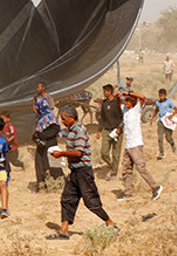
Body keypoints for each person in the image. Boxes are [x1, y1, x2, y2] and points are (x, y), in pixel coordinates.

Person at [47, 105, 117, 240]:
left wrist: (61, 153)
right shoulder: (72, 130)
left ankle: (110, 223)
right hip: (75, 171)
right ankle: (64, 231)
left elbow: (78, 152)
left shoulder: (79, 130)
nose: (62, 121)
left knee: (91, 201)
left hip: (83, 172)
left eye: (64, 119)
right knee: (67, 199)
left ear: (72, 118)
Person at [116, 88, 163, 201]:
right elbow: (118, 102)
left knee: (141, 168)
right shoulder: (125, 110)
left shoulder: (136, 109)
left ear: (132, 101)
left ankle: (155, 187)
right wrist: (119, 96)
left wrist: (128, 93)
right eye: (125, 100)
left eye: (128, 100)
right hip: (128, 145)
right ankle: (128, 193)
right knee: (126, 169)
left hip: (136, 144)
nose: (126, 102)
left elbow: (142, 97)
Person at [32, 81, 62, 187]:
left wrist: (42, 136)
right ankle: (41, 183)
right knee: (39, 163)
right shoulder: (40, 119)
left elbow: (55, 129)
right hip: (42, 144)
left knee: (52, 163)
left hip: (50, 144)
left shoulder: (50, 116)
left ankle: (58, 182)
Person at [95, 84, 124, 180]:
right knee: (104, 153)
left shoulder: (118, 103)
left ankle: (114, 173)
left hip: (117, 131)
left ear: (110, 92)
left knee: (116, 154)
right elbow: (102, 118)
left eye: (105, 91)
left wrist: (120, 128)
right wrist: (99, 130)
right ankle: (112, 166)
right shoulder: (104, 103)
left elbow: (124, 117)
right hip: (106, 131)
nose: (103, 93)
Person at [150, 88, 177, 159]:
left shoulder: (169, 102)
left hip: (168, 122)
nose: (161, 97)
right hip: (161, 122)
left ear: (165, 95)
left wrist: (172, 115)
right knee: (160, 138)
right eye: (160, 96)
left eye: (162, 96)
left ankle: (173, 144)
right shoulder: (158, 103)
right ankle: (161, 152)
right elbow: (156, 110)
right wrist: (152, 119)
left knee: (168, 138)